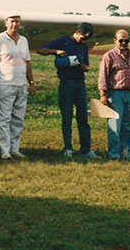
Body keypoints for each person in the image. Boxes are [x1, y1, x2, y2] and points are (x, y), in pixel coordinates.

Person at [37, 22, 99, 159]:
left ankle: (86, 149)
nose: (84, 41)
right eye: (82, 38)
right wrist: (55, 51)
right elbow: (40, 50)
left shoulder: (83, 46)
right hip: (66, 83)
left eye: (86, 39)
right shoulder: (62, 42)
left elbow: (86, 64)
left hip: (80, 83)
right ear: (76, 32)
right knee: (67, 116)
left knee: (83, 116)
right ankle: (68, 148)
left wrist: (84, 67)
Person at [0, 14, 36, 160]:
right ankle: (5, 151)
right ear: (6, 23)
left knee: (18, 118)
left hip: (21, 85)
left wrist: (31, 82)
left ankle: (15, 149)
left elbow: (27, 62)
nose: (15, 24)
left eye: (17, 21)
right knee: (4, 119)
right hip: (5, 84)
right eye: (12, 21)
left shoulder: (23, 40)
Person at [98, 29, 130, 160]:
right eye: (121, 40)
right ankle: (114, 154)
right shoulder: (109, 56)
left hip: (129, 94)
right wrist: (103, 94)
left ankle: (126, 152)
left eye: (126, 41)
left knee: (127, 125)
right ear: (115, 40)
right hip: (115, 94)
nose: (123, 43)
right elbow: (102, 76)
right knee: (115, 125)